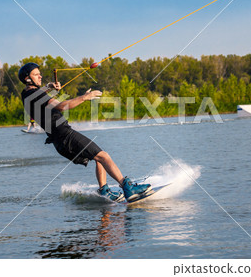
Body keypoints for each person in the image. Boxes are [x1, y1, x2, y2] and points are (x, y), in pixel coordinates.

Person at [18, 62, 151, 202]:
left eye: (40, 73)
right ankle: (128, 188)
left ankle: (104, 190)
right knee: (104, 156)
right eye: (36, 74)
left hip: (59, 141)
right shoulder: (36, 95)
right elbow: (62, 106)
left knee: (98, 156)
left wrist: (48, 87)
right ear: (28, 78)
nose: (40, 76)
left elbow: (38, 93)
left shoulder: (26, 94)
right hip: (65, 135)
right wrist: (85, 97)